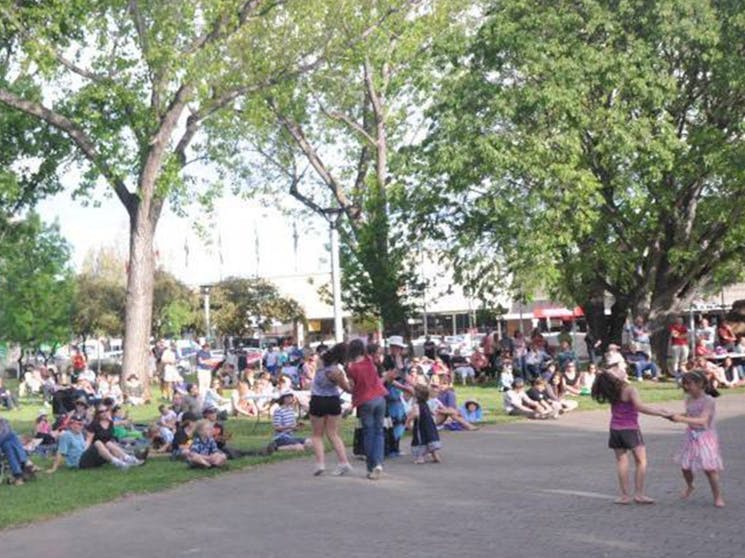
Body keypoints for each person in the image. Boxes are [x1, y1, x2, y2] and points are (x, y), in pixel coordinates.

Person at [590, 371, 671, 504]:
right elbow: (640, 407)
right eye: (617, 369)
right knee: (641, 461)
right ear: (615, 377)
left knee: (622, 462)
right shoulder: (629, 389)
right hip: (630, 429)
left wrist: (659, 410)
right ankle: (639, 494)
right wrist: (661, 413)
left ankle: (624, 496)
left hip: (615, 429)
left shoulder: (612, 391)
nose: (621, 369)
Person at [669, 371, 725, 507]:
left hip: (706, 437)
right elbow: (690, 414)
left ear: (700, 384)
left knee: (709, 469)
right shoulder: (688, 399)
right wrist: (674, 415)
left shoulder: (708, 401)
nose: (686, 387)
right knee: (685, 467)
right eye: (684, 384)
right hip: (691, 436)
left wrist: (681, 419)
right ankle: (690, 485)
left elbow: (703, 420)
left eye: (689, 384)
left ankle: (718, 496)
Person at [309, 342, 353, 476]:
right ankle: (343, 461)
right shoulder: (337, 372)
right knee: (333, 433)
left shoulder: (320, 362)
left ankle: (320, 464)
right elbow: (348, 389)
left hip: (317, 399)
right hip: (333, 400)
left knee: (317, 435)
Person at [346, 339, 387, 480]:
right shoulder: (370, 361)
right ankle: (379, 463)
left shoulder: (352, 368)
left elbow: (352, 388)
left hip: (365, 401)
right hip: (380, 398)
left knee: (368, 433)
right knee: (379, 432)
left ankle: (372, 466)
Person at [406, 384, 442, 464]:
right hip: (430, 425)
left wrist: (408, 420)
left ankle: (420, 458)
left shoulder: (416, 405)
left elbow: (416, 414)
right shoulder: (426, 404)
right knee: (430, 438)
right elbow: (431, 412)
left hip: (421, 426)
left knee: (420, 440)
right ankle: (435, 455)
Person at [0, 418, 41, 484]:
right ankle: (26, 463)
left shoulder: (3, 421)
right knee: (12, 435)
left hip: (4, 446)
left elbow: (5, 432)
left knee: (8, 446)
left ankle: (18, 476)